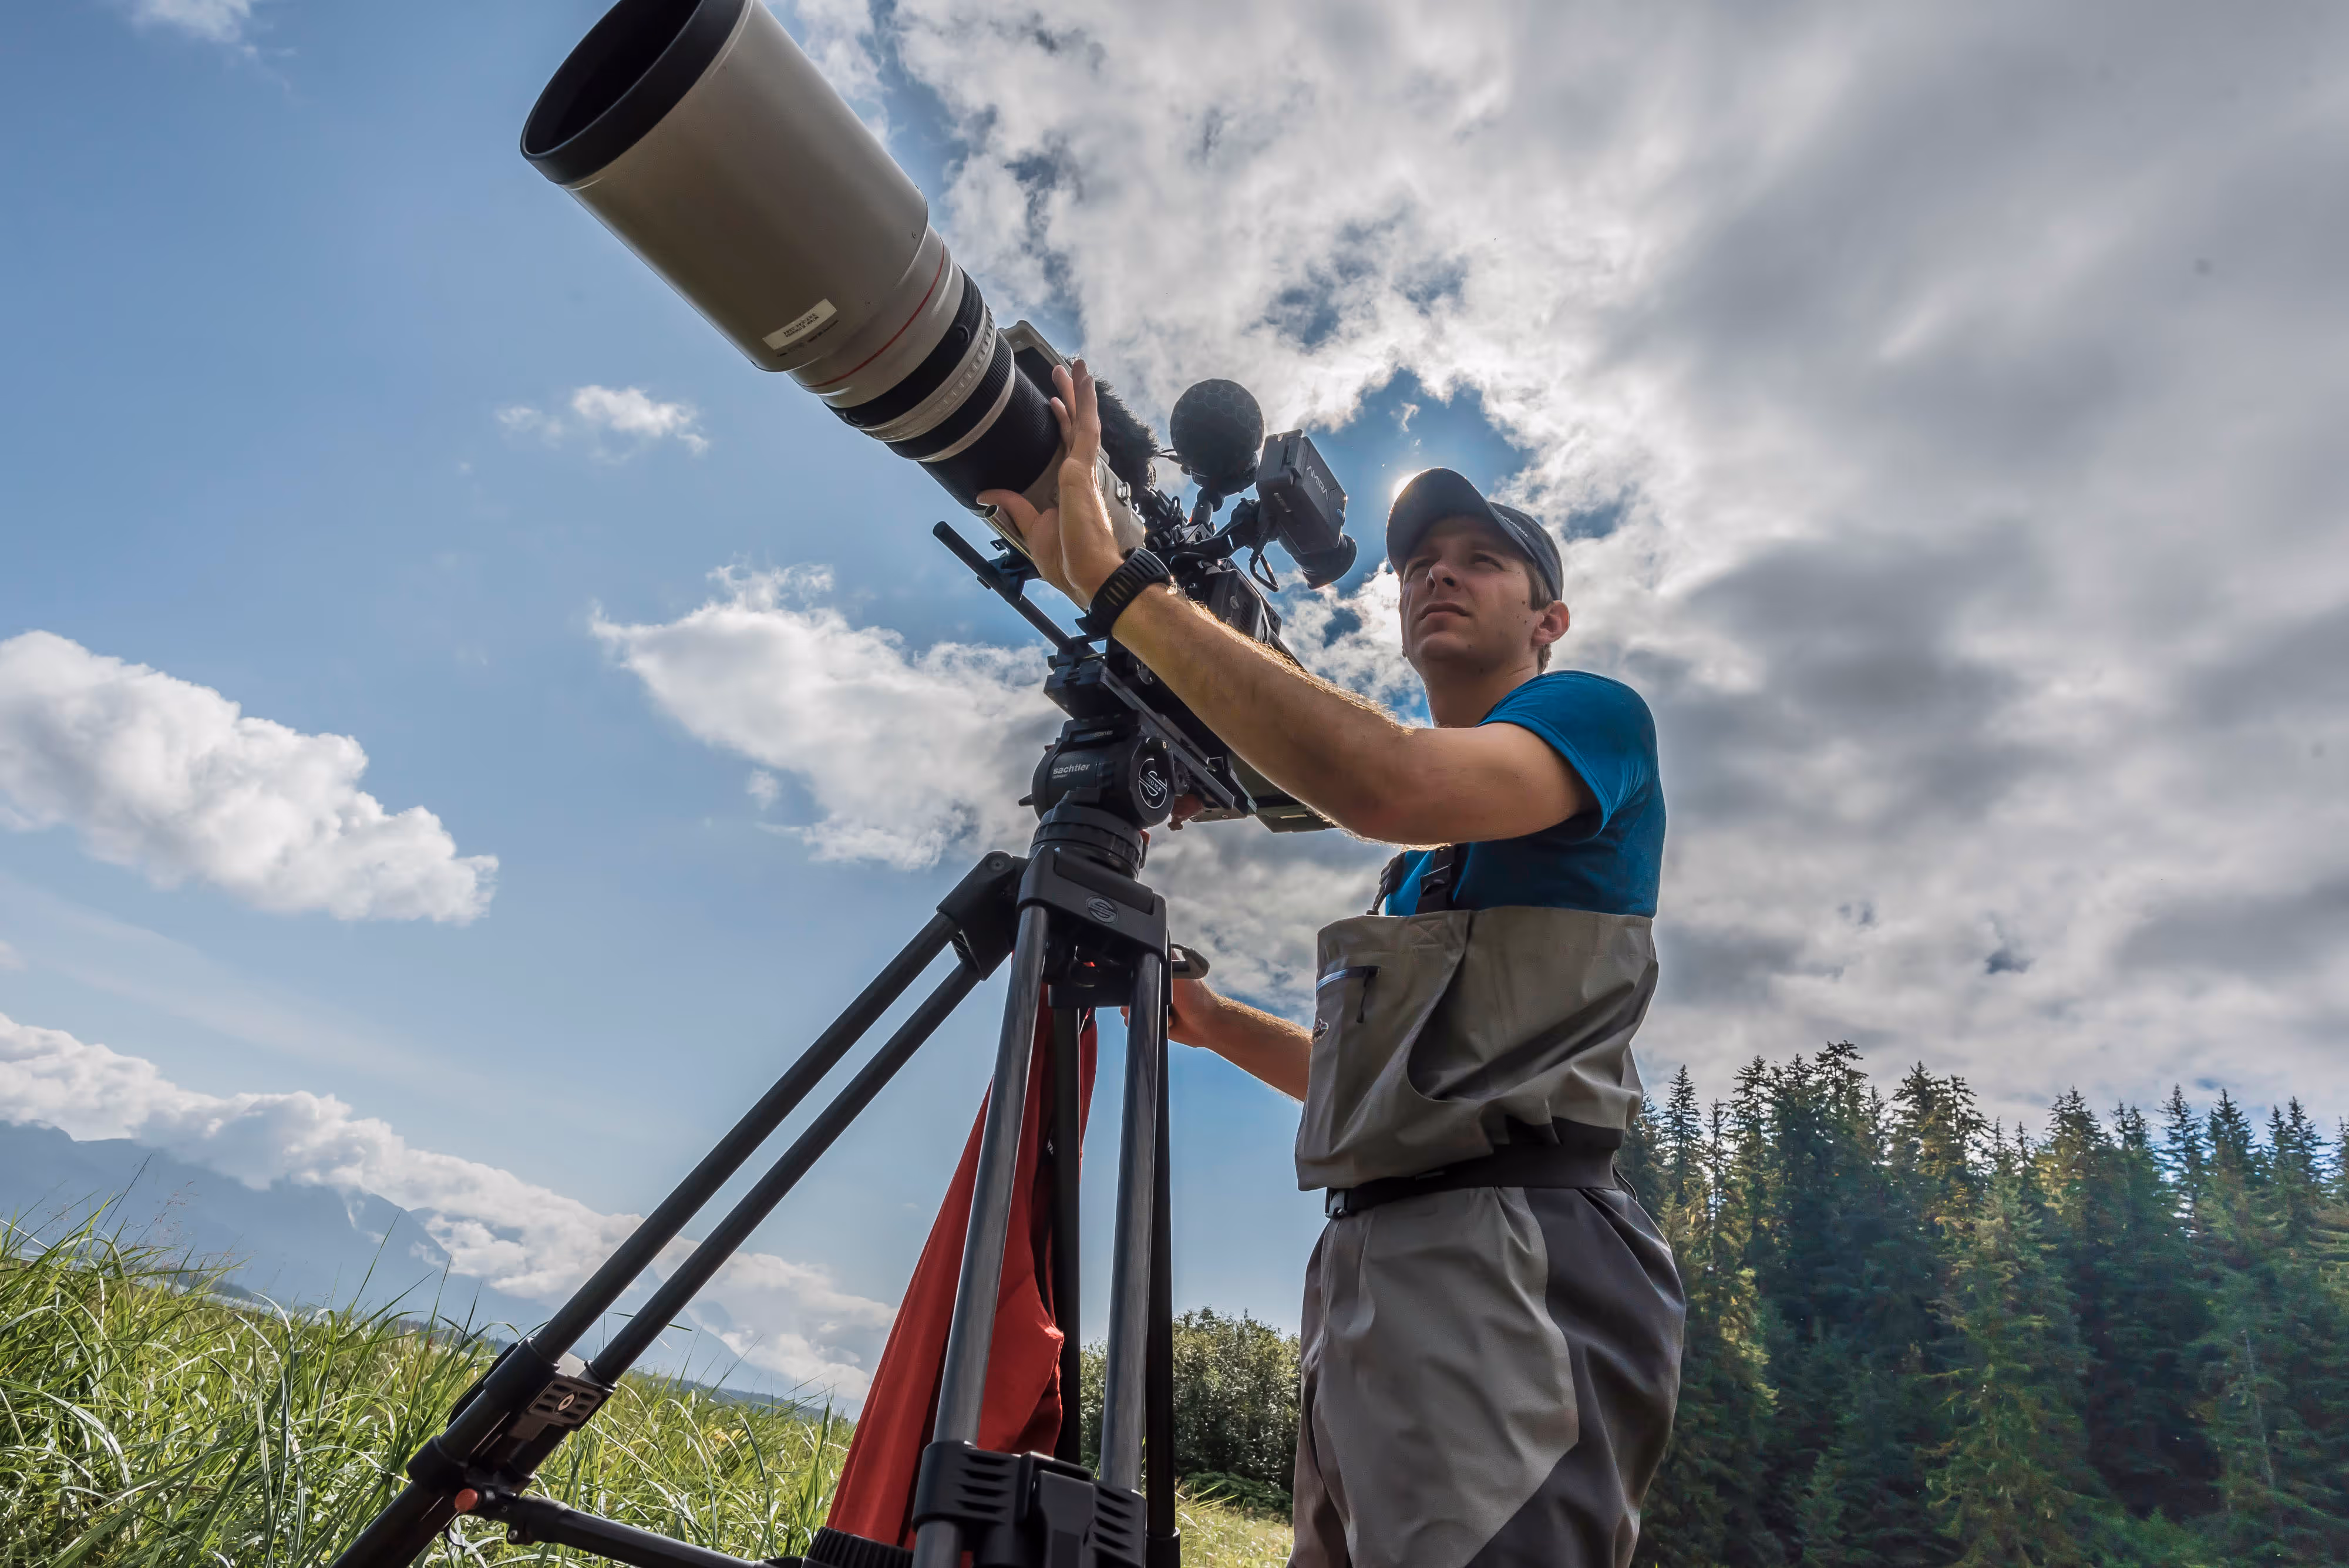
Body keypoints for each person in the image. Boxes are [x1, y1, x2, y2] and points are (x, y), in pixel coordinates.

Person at [981, 362, 1684, 1568]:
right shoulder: (1423, 874)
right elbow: (1368, 1082)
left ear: (1547, 620)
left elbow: (1386, 781)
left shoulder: (1592, 717)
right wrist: (1201, 1021)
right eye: (1417, 566)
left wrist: (1113, 580)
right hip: (1374, 1265)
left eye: (1478, 558)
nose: (1436, 576)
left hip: (1509, 1261)